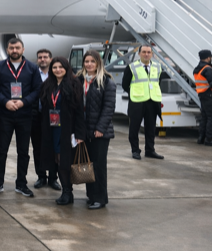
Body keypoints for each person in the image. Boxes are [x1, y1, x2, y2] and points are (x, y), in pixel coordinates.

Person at [0, 37, 42, 197]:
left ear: (23, 49)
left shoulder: (32, 68)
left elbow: (38, 89)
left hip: (25, 115)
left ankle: (21, 184)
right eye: (11, 48)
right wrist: (5, 102)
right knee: (1, 151)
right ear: (7, 50)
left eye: (17, 48)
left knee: (23, 152)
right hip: (4, 115)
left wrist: (24, 102)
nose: (14, 51)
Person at [39, 57, 85, 205]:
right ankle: (66, 190)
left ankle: (67, 192)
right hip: (51, 129)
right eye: (54, 67)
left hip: (67, 130)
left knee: (65, 161)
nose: (58, 70)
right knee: (56, 160)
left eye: (61, 67)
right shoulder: (47, 85)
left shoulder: (74, 84)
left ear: (66, 68)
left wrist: (79, 134)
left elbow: (79, 111)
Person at [77, 50, 116, 209]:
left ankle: (100, 198)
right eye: (86, 61)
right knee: (88, 164)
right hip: (84, 130)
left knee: (99, 165)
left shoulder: (106, 82)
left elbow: (109, 108)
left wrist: (100, 128)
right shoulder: (79, 80)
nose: (89, 64)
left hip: (100, 132)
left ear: (98, 63)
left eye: (92, 61)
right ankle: (91, 195)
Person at [122, 45, 164, 160]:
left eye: (149, 52)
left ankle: (150, 150)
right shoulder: (132, 67)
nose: (146, 54)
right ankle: (135, 150)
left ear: (152, 54)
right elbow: (125, 84)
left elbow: (158, 82)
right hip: (137, 102)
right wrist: (135, 93)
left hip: (152, 101)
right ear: (139, 54)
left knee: (151, 128)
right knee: (134, 128)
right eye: (144, 52)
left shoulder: (157, 67)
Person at [31, 49, 60, 191]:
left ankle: (53, 177)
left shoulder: (56, 74)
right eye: (40, 57)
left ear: (50, 59)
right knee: (38, 147)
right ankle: (41, 176)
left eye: (45, 57)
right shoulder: (33, 74)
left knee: (54, 146)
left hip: (54, 116)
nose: (42, 59)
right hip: (37, 115)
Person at [194, 50, 212, 146]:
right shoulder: (208, 69)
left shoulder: (198, 68)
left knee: (205, 117)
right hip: (209, 94)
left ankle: (201, 138)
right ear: (208, 57)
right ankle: (209, 139)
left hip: (202, 95)